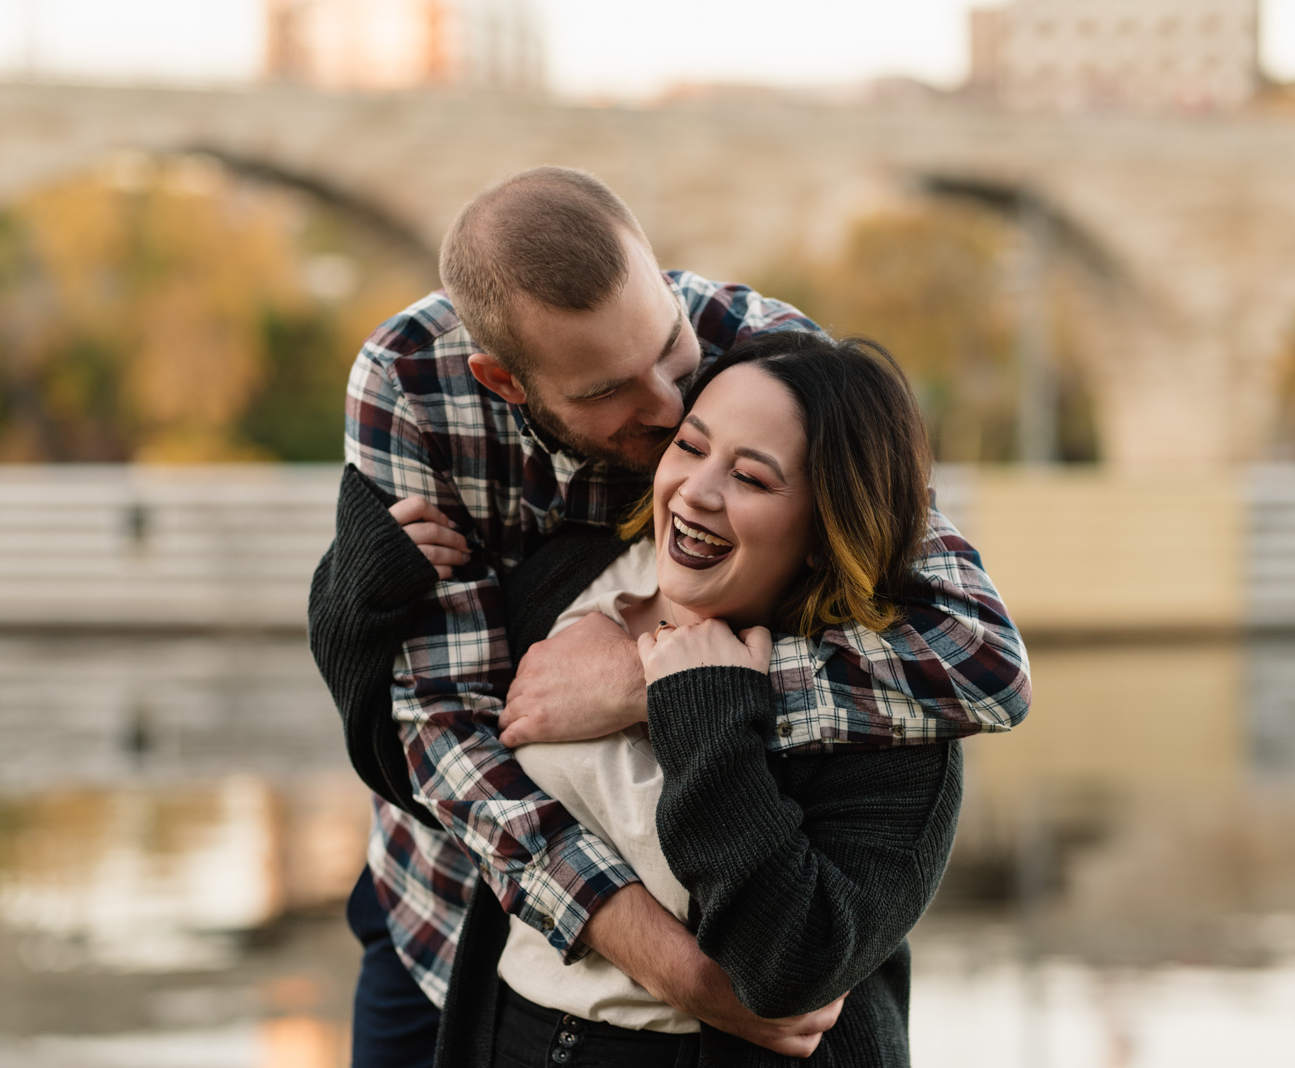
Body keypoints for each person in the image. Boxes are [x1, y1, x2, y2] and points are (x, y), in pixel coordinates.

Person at [307, 166, 1030, 1066]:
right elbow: (444, 728)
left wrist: (668, 679)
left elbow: (982, 660)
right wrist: (683, 973)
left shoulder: (766, 356)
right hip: (453, 915)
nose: (668, 402)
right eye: (609, 391)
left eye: (671, 347)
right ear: (503, 382)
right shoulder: (409, 384)